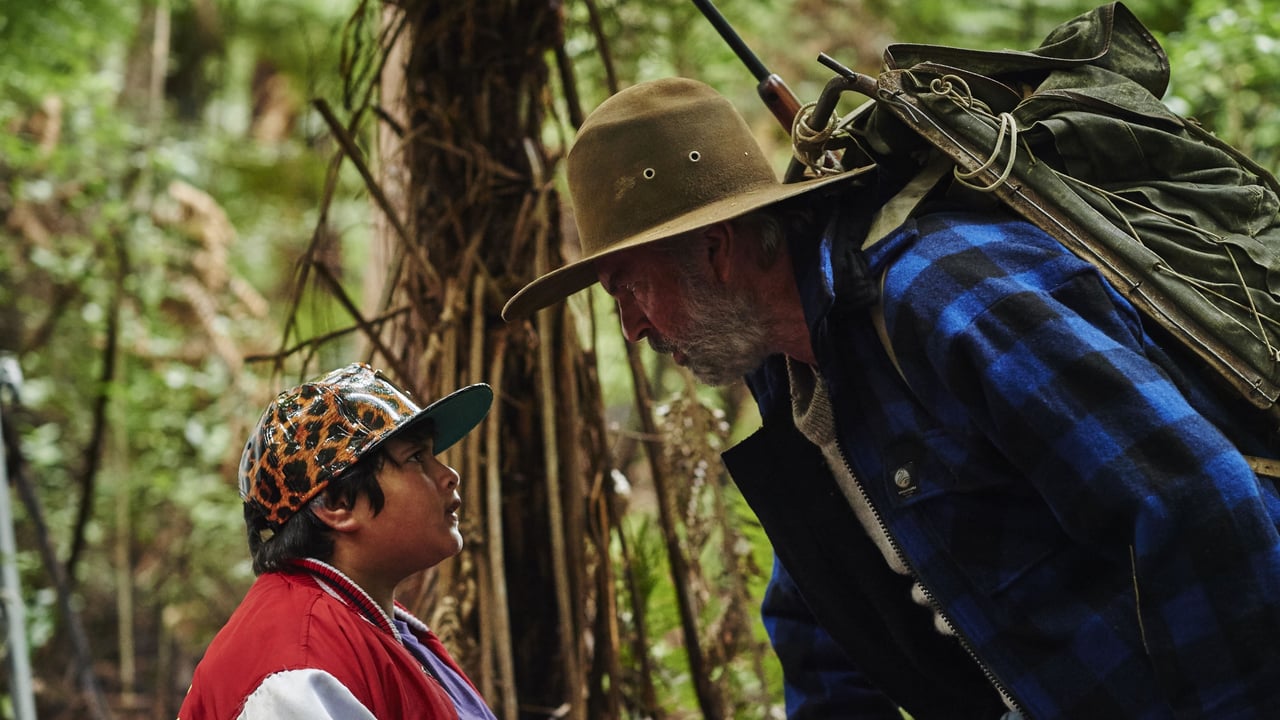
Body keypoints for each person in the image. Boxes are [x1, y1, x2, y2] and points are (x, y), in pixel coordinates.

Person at [501, 77, 1280, 718]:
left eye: (628, 289)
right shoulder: (792, 374)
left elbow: (1196, 503)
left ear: (716, 249)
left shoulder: (943, 297)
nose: (632, 327)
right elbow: (824, 621)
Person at [178, 362, 498, 720]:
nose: (449, 476)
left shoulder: (373, 624)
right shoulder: (297, 669)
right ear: (337, 504)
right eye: (415, 458)